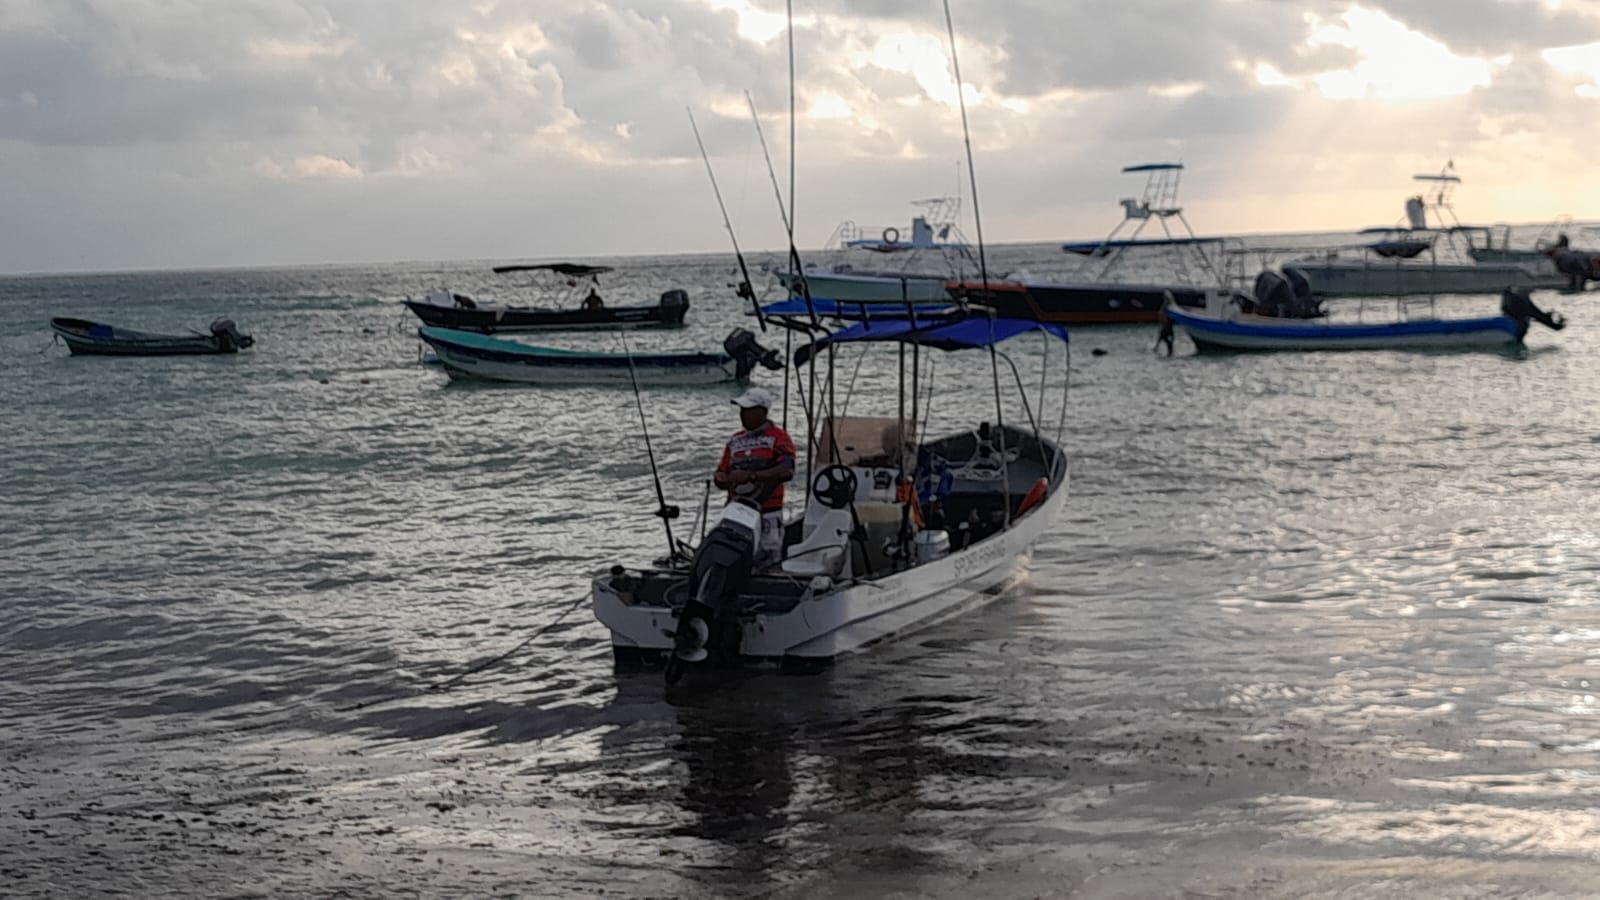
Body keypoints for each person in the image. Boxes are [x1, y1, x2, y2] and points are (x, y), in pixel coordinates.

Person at [715, 387, 796, 570]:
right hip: (736, 511)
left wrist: (753, 475)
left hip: (768, 510)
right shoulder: (735, 441)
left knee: (768, 558)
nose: (743, 415)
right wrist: (721, 478)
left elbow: (787, 470)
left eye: (748, 410)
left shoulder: (778, 438)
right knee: (734, 557)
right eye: (741, 410)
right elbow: (721, 470)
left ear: (763, 412)